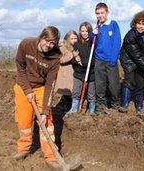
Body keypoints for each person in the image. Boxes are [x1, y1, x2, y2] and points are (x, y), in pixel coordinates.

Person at [13, 26, 77, 169]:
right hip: (23, 86)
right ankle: (23, 149)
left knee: (46, 121)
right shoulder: (26, 44)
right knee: (24, 120)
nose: (49, 46)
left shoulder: (55, 57)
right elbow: (20, 69)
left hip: (41, 88)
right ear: (41, 37)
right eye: (47, 41)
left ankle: (51, 156)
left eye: (53, 43)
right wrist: (28, 90)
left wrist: (44, 111)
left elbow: (50, 84)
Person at [119, 11, 144, 113]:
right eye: (139, 23)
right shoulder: (130, 36)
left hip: (141, 61)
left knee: (141, 83)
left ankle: (139, 106)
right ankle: (124, 105)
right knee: (129, 82)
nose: (141, 26)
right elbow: (137, 55)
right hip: (129, 61)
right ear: (134, 24)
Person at [92, 2, 121, 115]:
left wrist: (113, 59)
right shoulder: (98, 27)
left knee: (113, 84)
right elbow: (92, 40)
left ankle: (115, 103)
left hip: (111, 60)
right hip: (99, 59)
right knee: (100, 83)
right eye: (97, 13)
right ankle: (101, 105)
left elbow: (117, 42)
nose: (100, 15)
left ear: (107, 12)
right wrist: (92, 34)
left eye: (102, 13)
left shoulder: (113, 24)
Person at [68, 22, 96, 114]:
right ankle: (74, 109)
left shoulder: (93, 44)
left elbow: (94, 60)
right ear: (80, 32)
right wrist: (76, 60)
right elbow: (73, 59)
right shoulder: (76, 44)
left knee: (91, 94)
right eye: (82, 31)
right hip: (79, 73)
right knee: (76, 92)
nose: (84, 33)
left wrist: (82, 62)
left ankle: (92, 110)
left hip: (91, 74)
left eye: (87, 31)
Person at [54, 30, 79, 112]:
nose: (74, 40)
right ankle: (62, 108)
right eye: (72, 38)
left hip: (72, 72)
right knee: (66, 93)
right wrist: (72, 55)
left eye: (75, 38)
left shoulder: (75, 47)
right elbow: (60, 60)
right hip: (65, 73)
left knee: (70, 93)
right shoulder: (62, 47)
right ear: (67, 39)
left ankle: (66, 107)